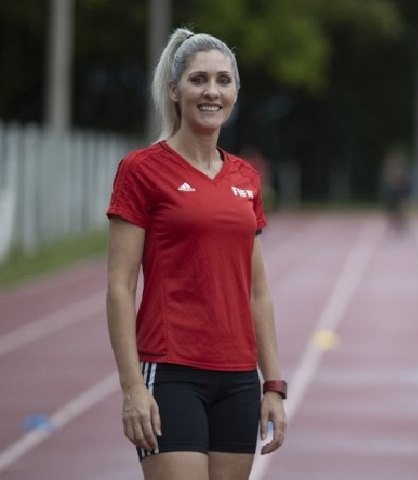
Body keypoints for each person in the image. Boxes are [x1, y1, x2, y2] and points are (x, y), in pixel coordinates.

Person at [106, 27, 287, 480]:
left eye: (223, 81)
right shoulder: (141, 170)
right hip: (170, 372)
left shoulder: (246, 178)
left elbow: (258, 293)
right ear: (174, 90)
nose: (212, 91)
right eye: (198, 79)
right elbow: (119, 286)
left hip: (239, 378)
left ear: (236, 92)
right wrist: (132, 387)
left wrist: (274, 386)